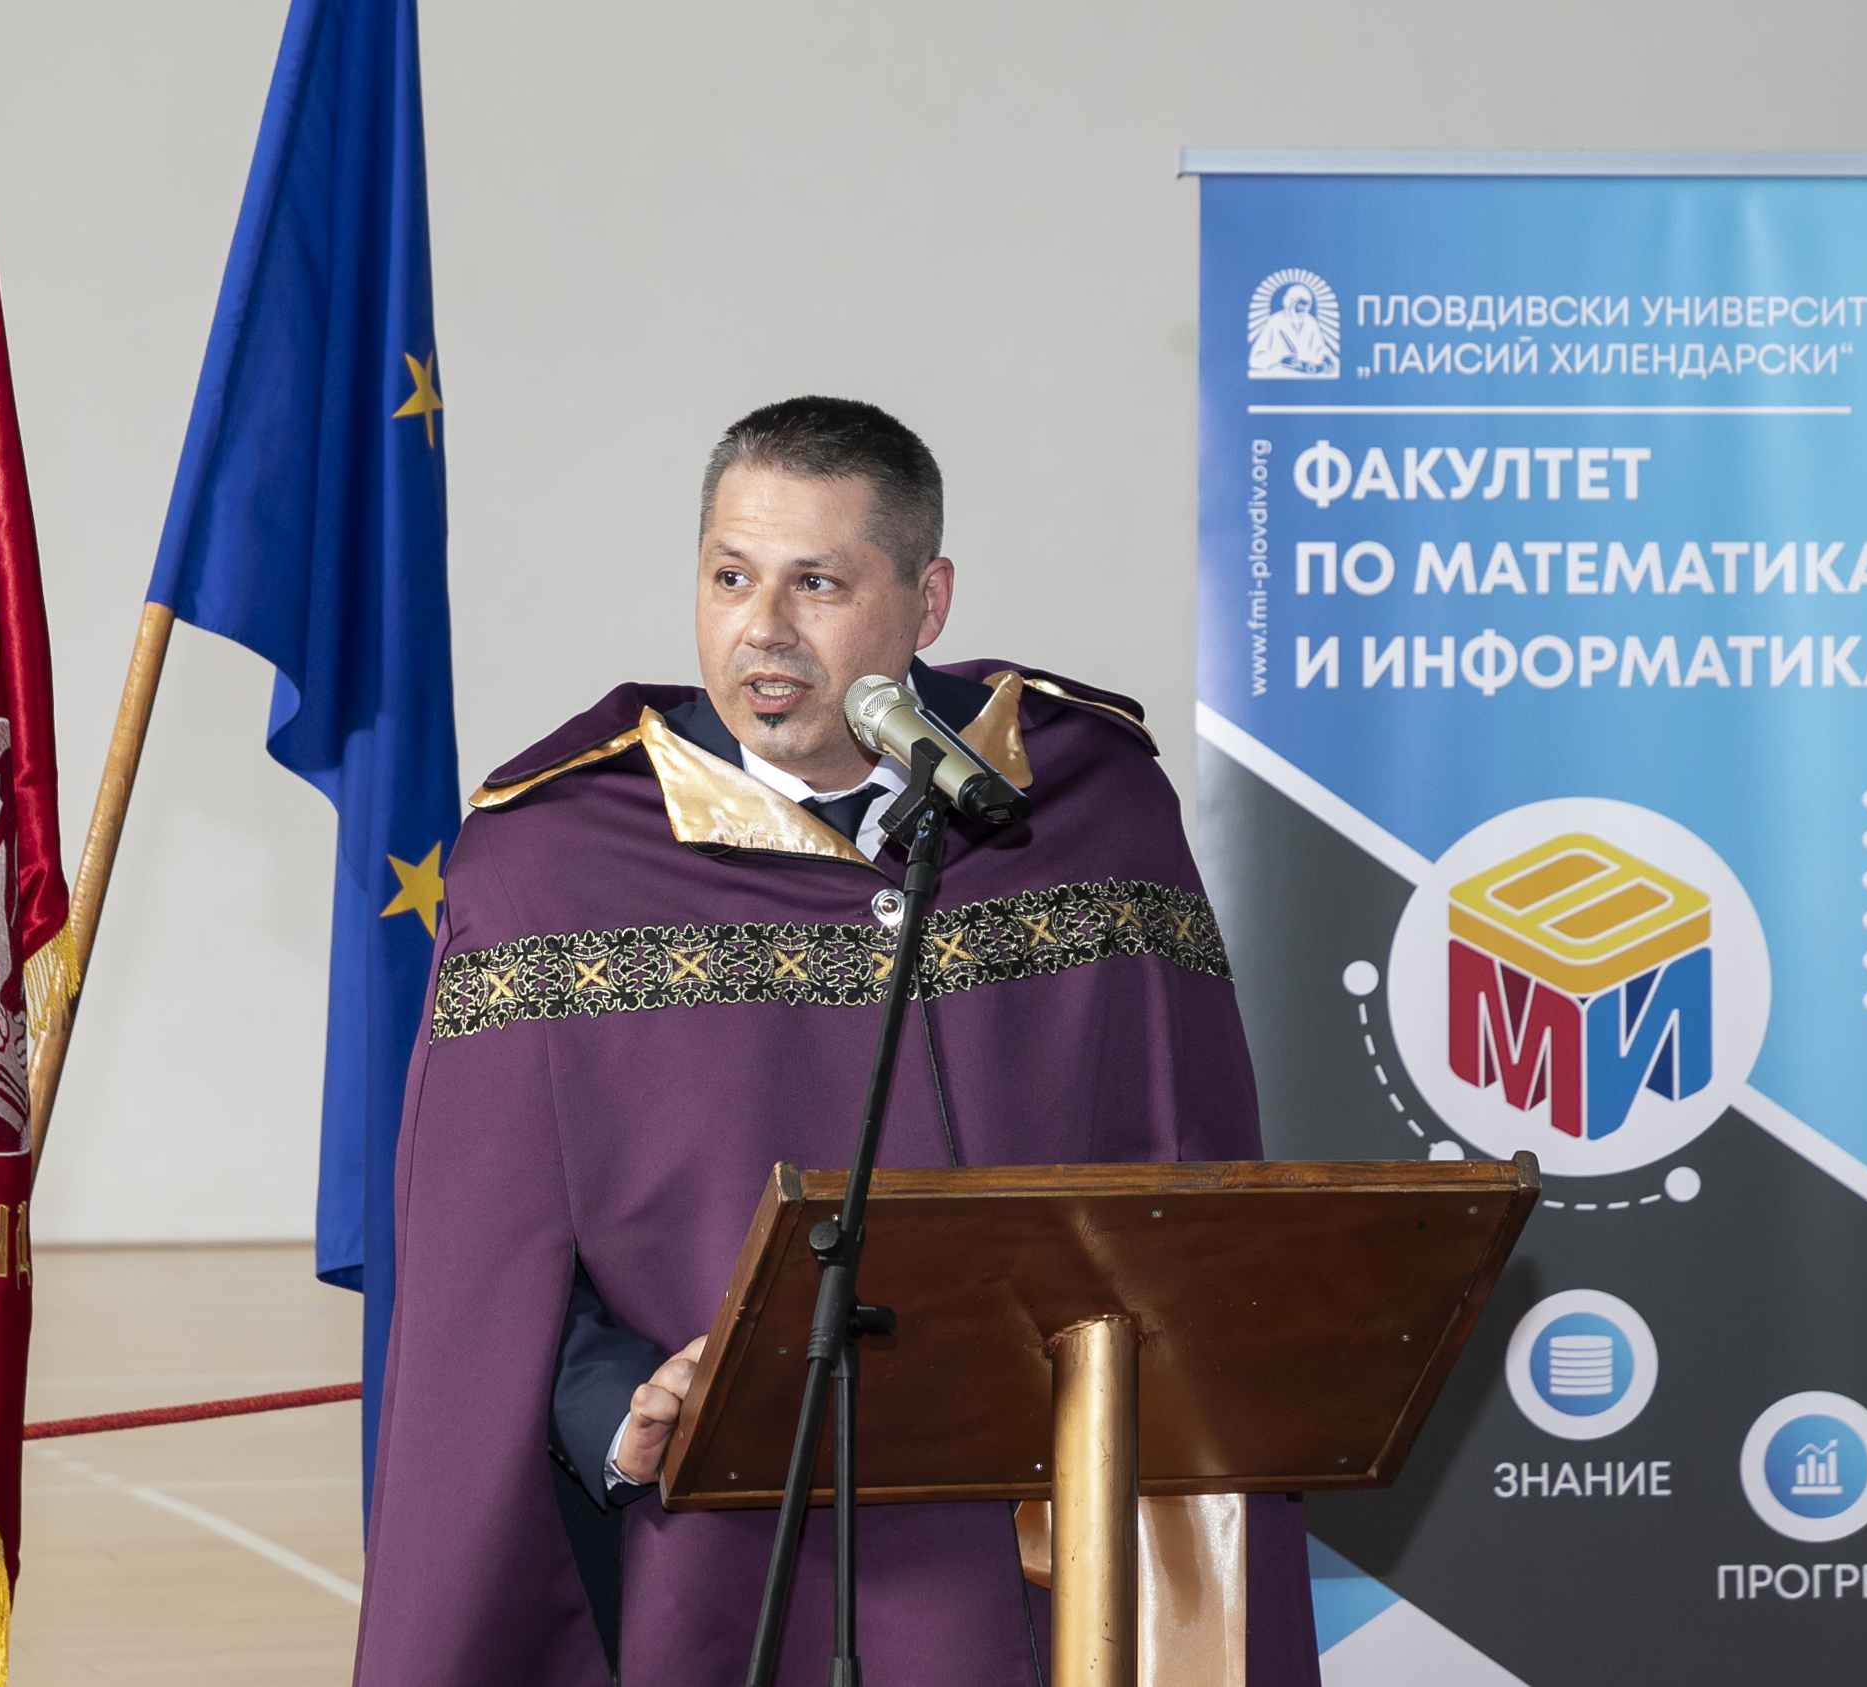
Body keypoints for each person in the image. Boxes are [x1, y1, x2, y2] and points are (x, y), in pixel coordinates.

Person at [352, 396, 1322, 1685]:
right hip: (730, 1550)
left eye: (817, 583)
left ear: (929, 603)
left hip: (1049, 1538)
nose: (763, 627)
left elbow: (1197, 1174)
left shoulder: (1089, 804)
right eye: (730, 577)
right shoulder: (550, 865)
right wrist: (618, 1409)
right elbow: (482, 1263)